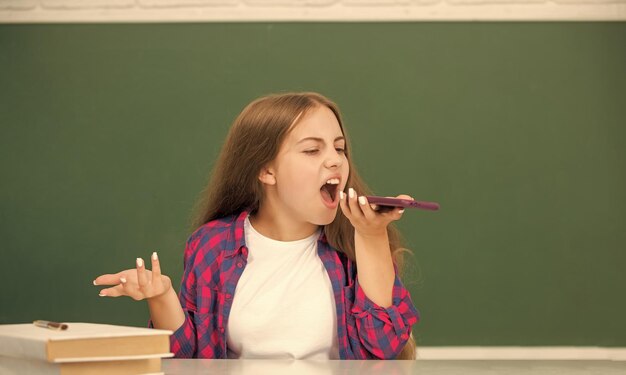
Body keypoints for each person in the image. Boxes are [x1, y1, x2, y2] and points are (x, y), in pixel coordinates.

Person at [93, 92, 420, 359]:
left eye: (339, 148)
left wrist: (371, 235)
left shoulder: (355, 243)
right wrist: (162, 296)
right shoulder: (212, 246)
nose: (335, 160)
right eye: (311, 150)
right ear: (267, 171)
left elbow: (384, 347)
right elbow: (187, 360)